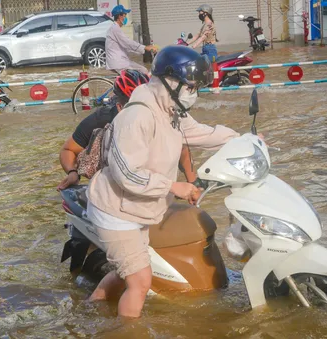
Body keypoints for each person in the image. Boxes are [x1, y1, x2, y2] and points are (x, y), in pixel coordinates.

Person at [85, 45, 240, 318]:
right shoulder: (137, 116)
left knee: (127, 274)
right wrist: (172, 186)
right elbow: (127, 174)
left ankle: (92, 305)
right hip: (115, 209)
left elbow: (200, 133)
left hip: (138, 206)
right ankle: (126, 334)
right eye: (190, 87)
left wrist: (242, 140)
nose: (194, 93)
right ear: (170, 83)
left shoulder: (170, 110)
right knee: (140, 281)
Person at [57, 70, 200, 190]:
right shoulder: (102, 119)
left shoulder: (162, 114)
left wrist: (192, 184)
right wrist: (72, 172)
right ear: (120, 107)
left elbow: (182, 149)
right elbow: (68, 150)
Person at [105, 5, 157, 75]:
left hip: (117, 61)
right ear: (120, 17)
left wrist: (141, 51)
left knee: (135, 76)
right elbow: (127, 43)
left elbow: (127, 47)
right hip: (118, 62)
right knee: (143, 70)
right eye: (124, 15)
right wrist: (145, 47)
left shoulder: (115, 28)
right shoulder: (115, 29)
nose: (125, 18)